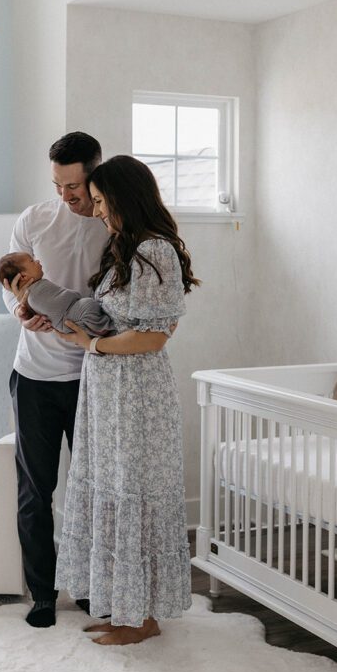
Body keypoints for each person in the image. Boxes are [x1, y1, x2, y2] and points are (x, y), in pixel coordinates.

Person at [53, 154, 199, 645]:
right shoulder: (126, 248)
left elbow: (155, 337)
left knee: (132, 494)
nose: (95, 211)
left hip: (137, 397)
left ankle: (140, 620)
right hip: (111, 392)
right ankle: (127, 610)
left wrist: (91, 344)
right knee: (113, 494)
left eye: (99, 201)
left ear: (122, 197)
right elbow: (124, 320)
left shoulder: (155, 251)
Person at [1, 132, 108, 628]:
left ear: (95, 172)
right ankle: (43, 592)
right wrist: (22, 313)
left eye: (75, 185)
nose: (66, 195)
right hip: (35, 376)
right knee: (34, 491)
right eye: (58, 185)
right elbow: (8, 283)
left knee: (91, 490)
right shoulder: (34, 219)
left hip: (94, 376)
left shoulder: (113, 225)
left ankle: (87, 587)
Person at [0, 251, 113, 335]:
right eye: (32, 261)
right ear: (23, 276)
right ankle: (106, 326)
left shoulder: (34, 291)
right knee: (88, 305)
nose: (37, 261)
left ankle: (102, 326)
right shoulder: (37, 291)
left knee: (88, 305)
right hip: (71, 318)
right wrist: (75, 295)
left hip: (68, 323)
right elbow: (61, 301)